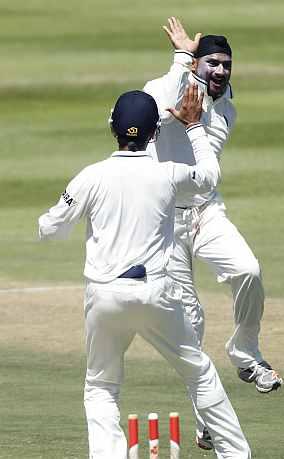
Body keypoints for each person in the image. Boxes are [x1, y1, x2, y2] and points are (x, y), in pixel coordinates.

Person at [38, 86, 251, 459]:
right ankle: (235, 455)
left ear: (112, 126)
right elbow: (209, 175)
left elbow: (50, 229)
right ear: (154, 133)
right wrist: (194, 126)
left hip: (105, 296)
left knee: (101, 387)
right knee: (198, 372)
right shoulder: (166, 174)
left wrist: (63, 212)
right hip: (157, 294)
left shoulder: (91, 176)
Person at [143, 18, 283, 449]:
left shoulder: (227, 106)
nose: (221, 71)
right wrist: (183, 57)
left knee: (248, 270)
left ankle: (244, 353)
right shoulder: (165, 89)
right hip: (164, 222)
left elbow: (205, 166)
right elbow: (156, 103)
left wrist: (200, 81)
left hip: (205, 211)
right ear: (196, 65)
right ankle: (208, 418)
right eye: (213, 64)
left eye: (227, 65)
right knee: (192, 323)